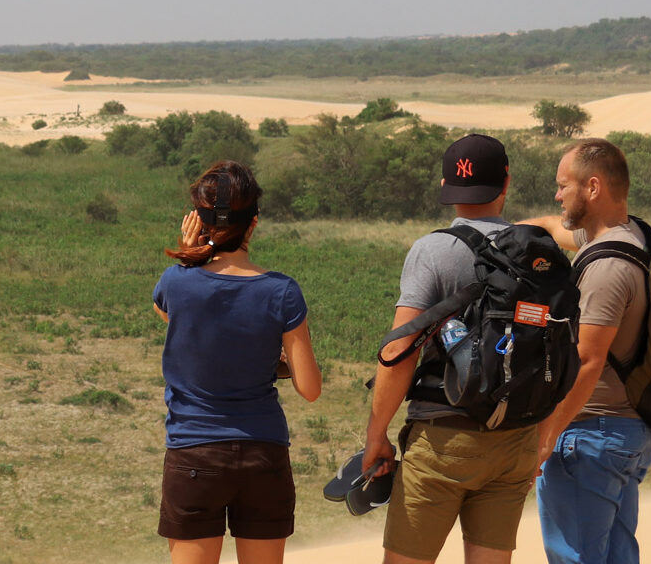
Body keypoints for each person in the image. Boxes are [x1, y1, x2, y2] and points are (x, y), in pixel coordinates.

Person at [361, 134, 541, 564]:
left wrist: (376, 435)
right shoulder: (536, 251)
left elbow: (400, 351)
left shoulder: (434, 250)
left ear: (446, 187)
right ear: (506, 182)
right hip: (516, 439)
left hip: (444, 438)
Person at [152, 160, 323, 564]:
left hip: (194, 454)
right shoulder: (282, 291)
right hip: (262, 455)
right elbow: (310, 389)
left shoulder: (176, 282)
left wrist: (194, 253)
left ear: (199, 222)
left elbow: (171, 313)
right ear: (254, 223)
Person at [521, 138, 651, 564]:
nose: (557, 195)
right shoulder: (629, 235)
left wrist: (547, 435)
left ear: (592, 188)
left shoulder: (605, 269)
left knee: (574, 558)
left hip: (588, 437)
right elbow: (549, 224)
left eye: (564, 186)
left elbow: (587, 361)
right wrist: (495, 235)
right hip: (623, 431)